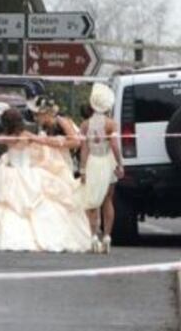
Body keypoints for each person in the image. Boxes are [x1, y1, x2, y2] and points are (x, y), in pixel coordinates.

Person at [0, 108, 93, 252]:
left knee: (1, 201)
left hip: (9, 172)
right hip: (29, 173)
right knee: (37, 203)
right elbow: (44, 141)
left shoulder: (7, 137)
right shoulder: (26, 135)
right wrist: (59, 141)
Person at [78, 83, 124, 253]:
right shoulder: (112, 124)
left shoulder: (85, 125)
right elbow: (114, 145)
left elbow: (84, 149)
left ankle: (93, 238)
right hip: (108, 162)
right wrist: (120, 163)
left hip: (92, 163)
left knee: (91, 202)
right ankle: (107, 237)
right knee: (107, 200)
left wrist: (82, 170)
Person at [28, 95, 81, 175]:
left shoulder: (61, 121)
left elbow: (76, 142)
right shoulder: (43, 126)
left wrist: (56, 142)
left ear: (46, 113)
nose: (35, 118)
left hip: (64, 162)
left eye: (37, 114)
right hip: (51, 162)